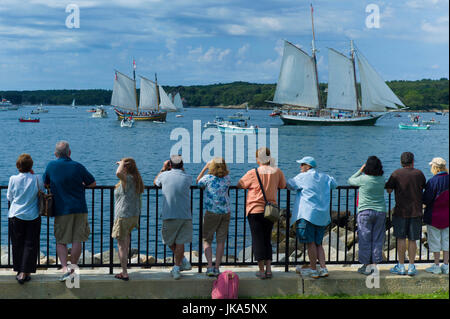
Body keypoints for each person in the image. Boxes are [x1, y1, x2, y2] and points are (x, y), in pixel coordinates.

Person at [43, 141, 96, 282]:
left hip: (61, 209)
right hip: (79, 208)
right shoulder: (77, 166)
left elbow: (45, 183)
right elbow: (92, 183)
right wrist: (82, 185)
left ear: (55, 154)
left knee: (61, 240)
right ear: (69, 153)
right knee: (77, 239)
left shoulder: (51, 166)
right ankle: (73, 269)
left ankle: (65, 268)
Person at [237, 147, 286, 279]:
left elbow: (240, 184)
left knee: (257, 240)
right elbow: (283, 185)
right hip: (270, 211)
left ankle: (261, 271)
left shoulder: (253, 172)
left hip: (255, 209)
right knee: (267, 239)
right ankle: (269, 269)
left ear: (258, 159)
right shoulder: (277, 171)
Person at [287, 156, 337, 279]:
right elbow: (334, 184)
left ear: (308, 166)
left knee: (310, 244)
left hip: (307, 214)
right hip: (322, 216)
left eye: (302, 164)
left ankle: (314, 269)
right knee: (319, 243)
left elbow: (289, 184)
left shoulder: (302, 177)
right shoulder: (325, 177)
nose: (300, 167)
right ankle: (324, 268)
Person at [385, 152, 426, 276]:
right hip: (416, 211)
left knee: (401, 239)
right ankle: (412, 266)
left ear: (401, 162)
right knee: (413, 239)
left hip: (400, 211)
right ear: (413, 162)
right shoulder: (419, 173)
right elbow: (424, 187)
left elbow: (388, 190)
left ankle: (401, 266)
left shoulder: (396, 173)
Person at [154, 155, 192, 280]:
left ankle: (177, 266)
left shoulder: (164, 175)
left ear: (170, 165)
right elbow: (185, 175)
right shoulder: (187, 177)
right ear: (182, 165)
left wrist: (163, 168)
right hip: (185, 215)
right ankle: (182, 262)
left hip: (169, 213)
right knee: (180, 241)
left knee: (168, 240)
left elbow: (155, 182)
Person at [7, 154, 43, 284]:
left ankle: (19, 271)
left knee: (17, 244)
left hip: (16, 215)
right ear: (31, 166)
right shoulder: (38, 178)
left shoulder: (12, 179)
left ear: (18, 166)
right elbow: (42, 192)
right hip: (33, 215)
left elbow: (9, 197)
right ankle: (25, 272)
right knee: (31, 244)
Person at [348, 156, 386, 276]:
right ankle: (374, 265)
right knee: (377, 239)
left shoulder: (363, 179)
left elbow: (350, 180)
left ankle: (366, 265)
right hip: (380, 212)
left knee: (364, 239)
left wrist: (360, 170)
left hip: (365, 212)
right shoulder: (382, 179)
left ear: (367, 167)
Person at [197, 157, 231, 277]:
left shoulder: (207, 178)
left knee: (207, 239)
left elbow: (198, 182)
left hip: (211, 212)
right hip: (226, 212)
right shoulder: (227, 178)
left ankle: (210, 267)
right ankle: (217, 267)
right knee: (221, 240)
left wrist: (204, 168)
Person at [112, 158, 144, 281]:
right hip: (133, 215)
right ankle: (124, 268)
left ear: (126, 168)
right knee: (126, 243)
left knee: (121, 246)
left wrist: (121, 164)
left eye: (123, 166)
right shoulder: (136, 179)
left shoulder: (128, 179)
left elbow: (117, 173)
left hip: (123, 216)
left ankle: (124, 272)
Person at [423, 157, 449, 275]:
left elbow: (426, 199)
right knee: (446, 241)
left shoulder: (432, 181)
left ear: (435, 167)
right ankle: (446, 265)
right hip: (447, 216)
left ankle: (437, 265)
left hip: (434, 216)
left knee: (435, 241)